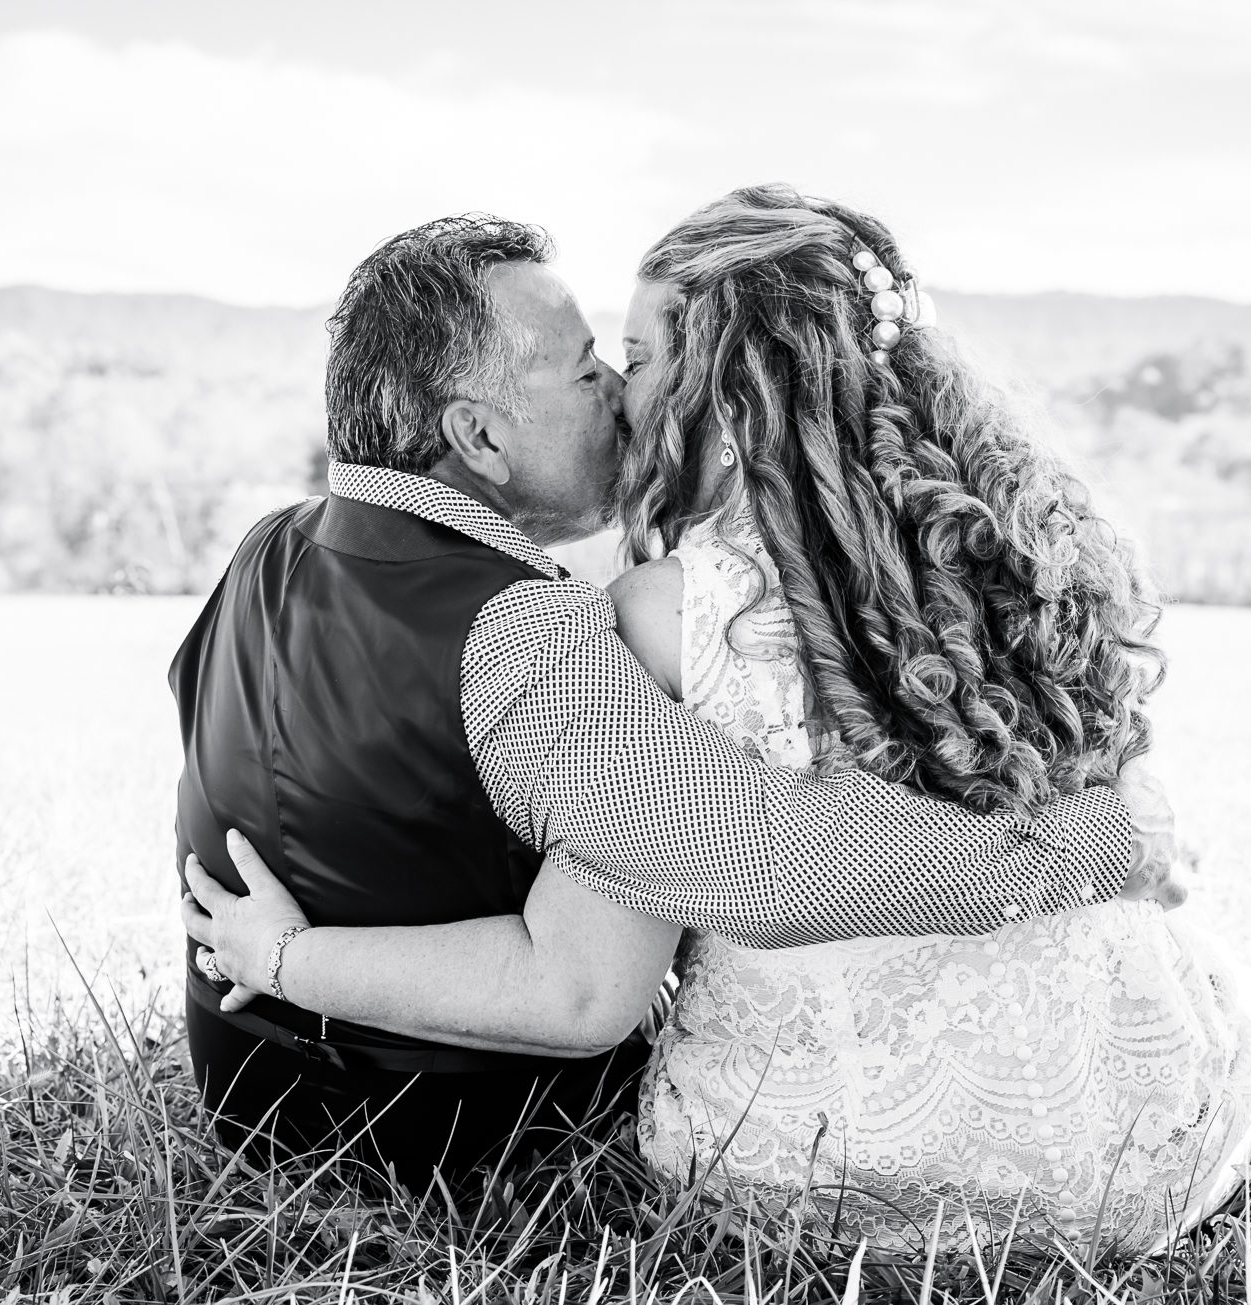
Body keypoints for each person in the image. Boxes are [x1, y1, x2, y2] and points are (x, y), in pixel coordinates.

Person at [169, 213, 1180, 1194]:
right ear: (474, 435)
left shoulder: (270, 545)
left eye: (624, 359)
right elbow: (732, 894)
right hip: (434, 1130)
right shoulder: (525, 634)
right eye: (582, 368)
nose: (615, 390)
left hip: (240, 1086)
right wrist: (1092, 841)